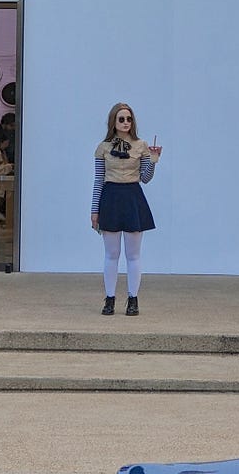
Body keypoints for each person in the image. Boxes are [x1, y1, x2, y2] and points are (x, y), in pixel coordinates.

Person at [90, 102, 162, 316]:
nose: (125, 123)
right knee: (111, 254)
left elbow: (145, 178)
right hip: (110, 197)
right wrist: (94, 210)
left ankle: (133, 299)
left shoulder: (141, 146)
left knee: (133, 255)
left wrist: (154, 160)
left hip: (132, 197)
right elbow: (98, 179)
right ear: (114, 121)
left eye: (129, 119)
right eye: (121, 119)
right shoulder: (103, 147)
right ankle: (110, 298)